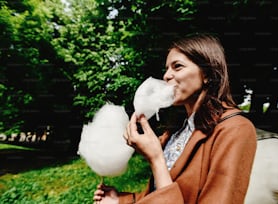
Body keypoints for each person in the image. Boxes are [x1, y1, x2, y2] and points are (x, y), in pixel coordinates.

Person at [93, 33, 257, 204]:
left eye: (177, 67)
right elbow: (160, 191)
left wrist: (156, 159)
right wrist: (120, 200)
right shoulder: (176, 131)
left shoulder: (235, 129)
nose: (166, 76)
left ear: (207, 74)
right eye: (167, 68)